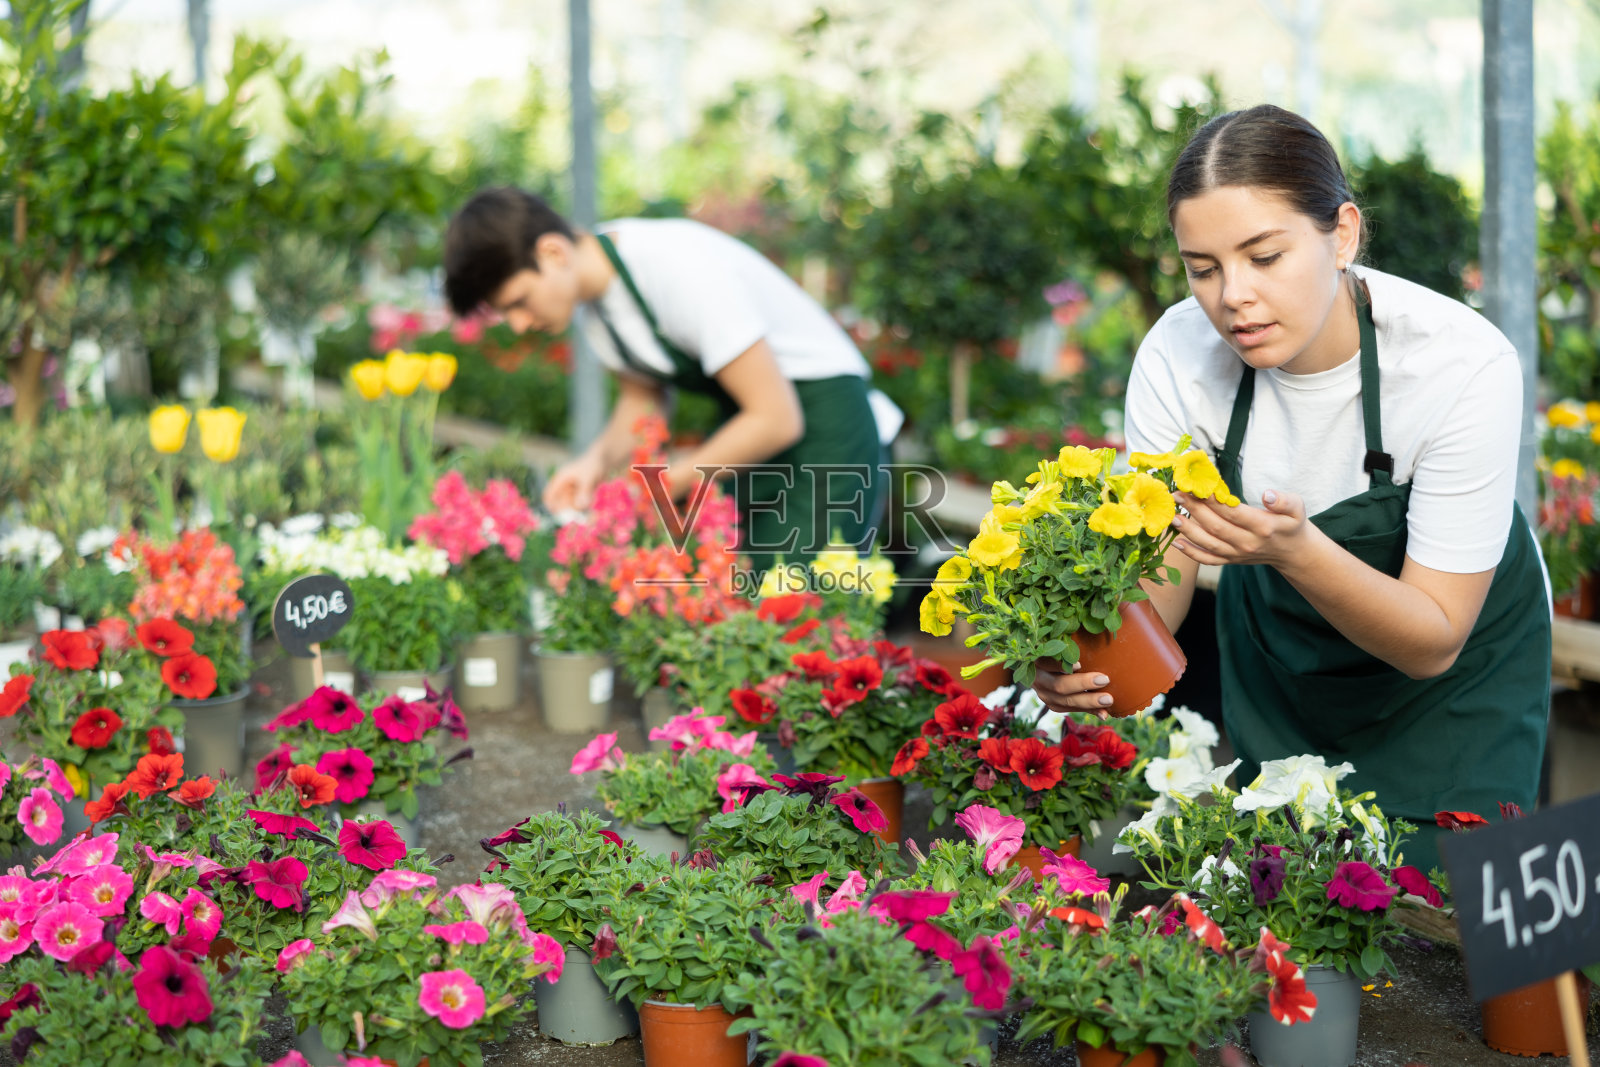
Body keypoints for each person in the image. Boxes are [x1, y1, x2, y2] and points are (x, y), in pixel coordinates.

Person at [1032, 105, 1549, 871]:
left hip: (1456, 689)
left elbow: (1434, 639)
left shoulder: (1459, 364)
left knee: (1447, 926)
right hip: (1287, 676)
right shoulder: (1179, 354)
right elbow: (1160, 589)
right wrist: (1080, 662)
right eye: (1201, 268)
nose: (1230, 296)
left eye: (1264, 256)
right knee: (1297, 904)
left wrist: (1298, 550)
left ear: (1342, 234)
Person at [442, 188, 897, 572]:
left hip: (826, 425)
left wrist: (660, 488)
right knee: (749, 600)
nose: (519, 325)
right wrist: (593, 465)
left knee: (802, 608)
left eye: (519, 301)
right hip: (754, 435)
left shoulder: (673, 268)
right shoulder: (595, 301)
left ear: (553, 252)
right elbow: (643, 402)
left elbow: (777, 419)